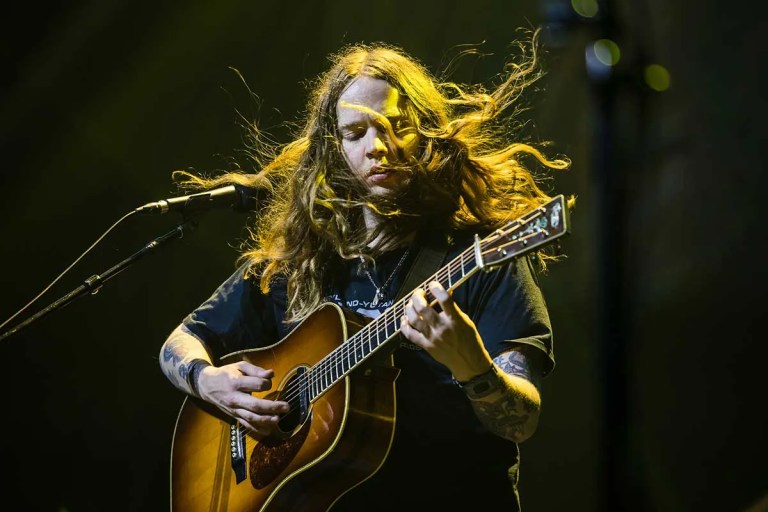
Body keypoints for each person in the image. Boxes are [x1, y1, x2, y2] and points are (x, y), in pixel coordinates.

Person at [159, 29, 571, 511]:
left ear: (427, 135)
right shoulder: (301, 262)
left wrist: (471, 365)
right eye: (356, 133)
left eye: (397, 126)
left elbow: (521, 422)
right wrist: (206, 380)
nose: (378, 146)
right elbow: (180, 342)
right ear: (334, 150)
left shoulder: (480, 258)